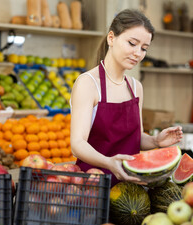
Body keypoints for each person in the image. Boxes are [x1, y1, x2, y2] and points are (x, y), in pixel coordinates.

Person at [70, 9, 183, 186]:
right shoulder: (88, 83)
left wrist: (155, 141)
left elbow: (135, 137)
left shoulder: (135, 87)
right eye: (132, 43)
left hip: (131, 188)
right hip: (93, 186)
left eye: (144, 48)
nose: (138, 53)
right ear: (111, 38)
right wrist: (108, 163)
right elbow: (77, 144)